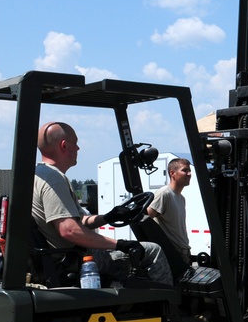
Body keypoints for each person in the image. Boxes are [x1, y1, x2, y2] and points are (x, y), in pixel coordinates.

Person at [32, 121, 173, 285]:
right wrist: (119, 244)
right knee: (153, 251)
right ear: (64, 145)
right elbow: (69, 230)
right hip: (73, 260)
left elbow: (78, 222)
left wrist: (109, 217)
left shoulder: (40, 175)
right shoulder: (55, 179)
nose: (78, 149)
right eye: (75, 143)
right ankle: (167, 304)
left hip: (57, 258)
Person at [147, 157, 193, 265]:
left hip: (183, 252)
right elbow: (146, 220)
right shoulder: (164, 193)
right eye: (185, 170)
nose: (189, 174)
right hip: (172, 253)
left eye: (189, 170)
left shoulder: (181, 198)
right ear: (172, 173)